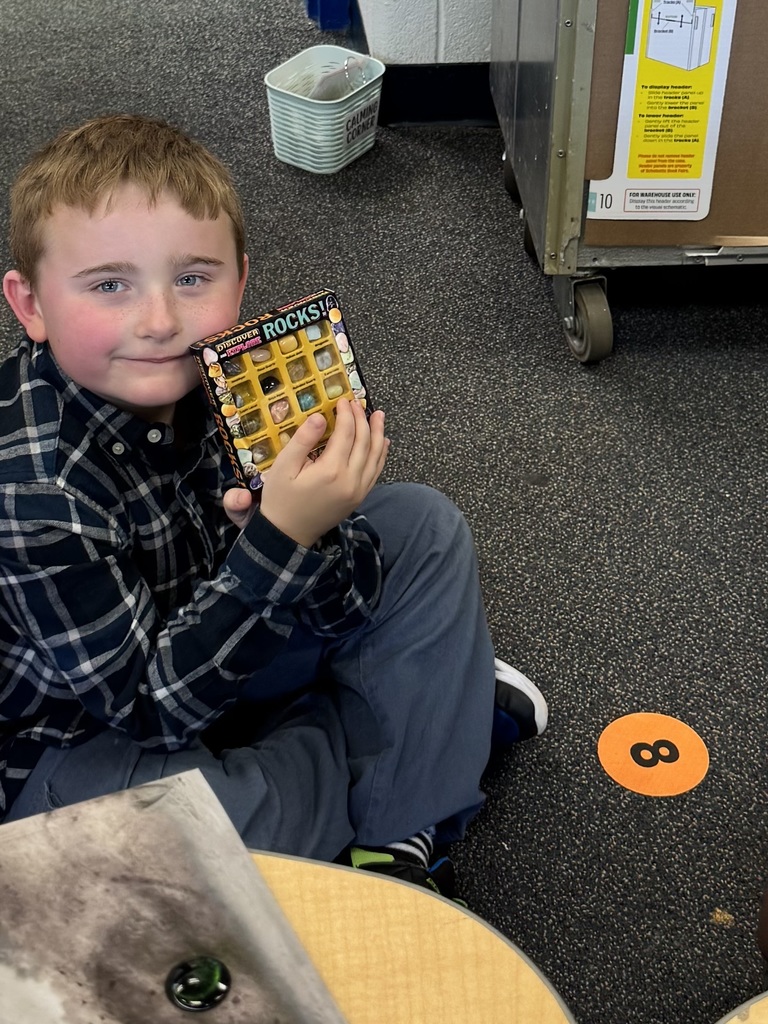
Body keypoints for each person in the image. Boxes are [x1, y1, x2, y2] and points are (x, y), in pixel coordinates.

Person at [0, 114, 547, 897]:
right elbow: (150, 712)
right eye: (109, 285)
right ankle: (416, 735)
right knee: (170, 842)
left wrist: (302, 537)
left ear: (240, 279)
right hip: (89, 737)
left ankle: (397, 816)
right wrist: (279, 542)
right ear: (32, 305)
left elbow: (347, 593)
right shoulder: (34, 491)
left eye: (193, 278)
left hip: (218, 635)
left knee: (421, 524)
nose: (159, 321)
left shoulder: (231, 382)